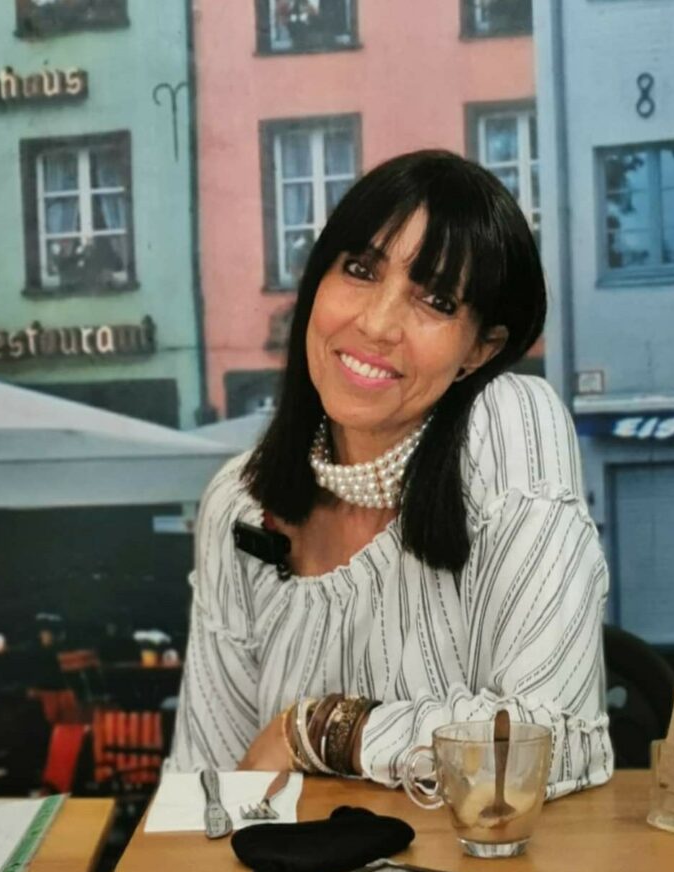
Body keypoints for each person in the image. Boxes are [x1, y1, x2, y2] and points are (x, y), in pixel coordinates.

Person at [169, 149, 613, 797]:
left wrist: (319, 729)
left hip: (483, 865)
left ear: (480, 349)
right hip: (294, 864)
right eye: (359, 270)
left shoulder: (511, 422)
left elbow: (551, 741)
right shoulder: (238, 505)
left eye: (436, 300)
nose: (377, 324)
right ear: (316, 283)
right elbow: (208, 788)